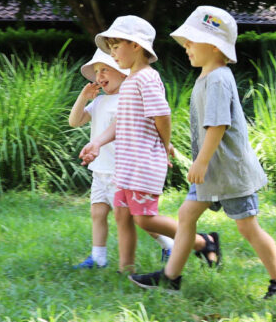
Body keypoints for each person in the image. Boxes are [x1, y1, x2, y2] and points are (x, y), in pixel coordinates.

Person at [129, 7, 276, 300]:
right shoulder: (207, 77)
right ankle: (171, 278)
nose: (186, 48)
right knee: (186, 215)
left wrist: (202, 161)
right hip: (211, 173)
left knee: (248, 227)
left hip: (229, 172)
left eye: (191, 42)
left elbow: (218, 125)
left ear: (214, 45)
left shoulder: (219, 78)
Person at [79, 15, 221, 276]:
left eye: (116, 46)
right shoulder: (130, 81)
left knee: (143, 218)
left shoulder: (146, 78)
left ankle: (203, 242)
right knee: (122, 216)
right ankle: (127, 270)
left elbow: (162, 115)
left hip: (144, 162)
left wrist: (164, 145)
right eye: (109, 48)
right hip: (126, 163)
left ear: (136, 45)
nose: (112, 54)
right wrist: (97, 142)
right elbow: (120, 122)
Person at [69, 48, 174, 271]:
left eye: (105, 69)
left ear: (123, 73)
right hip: (100, 170)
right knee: (97, 213)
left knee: (138, 218)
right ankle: (99, 257)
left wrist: (164, 146)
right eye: (96, 71)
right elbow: (74, 121)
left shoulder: (128, 99)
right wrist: (82, 97)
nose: (99, 76)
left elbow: (151, 124)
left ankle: (169, 244)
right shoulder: (99, 103)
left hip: (123, 171)